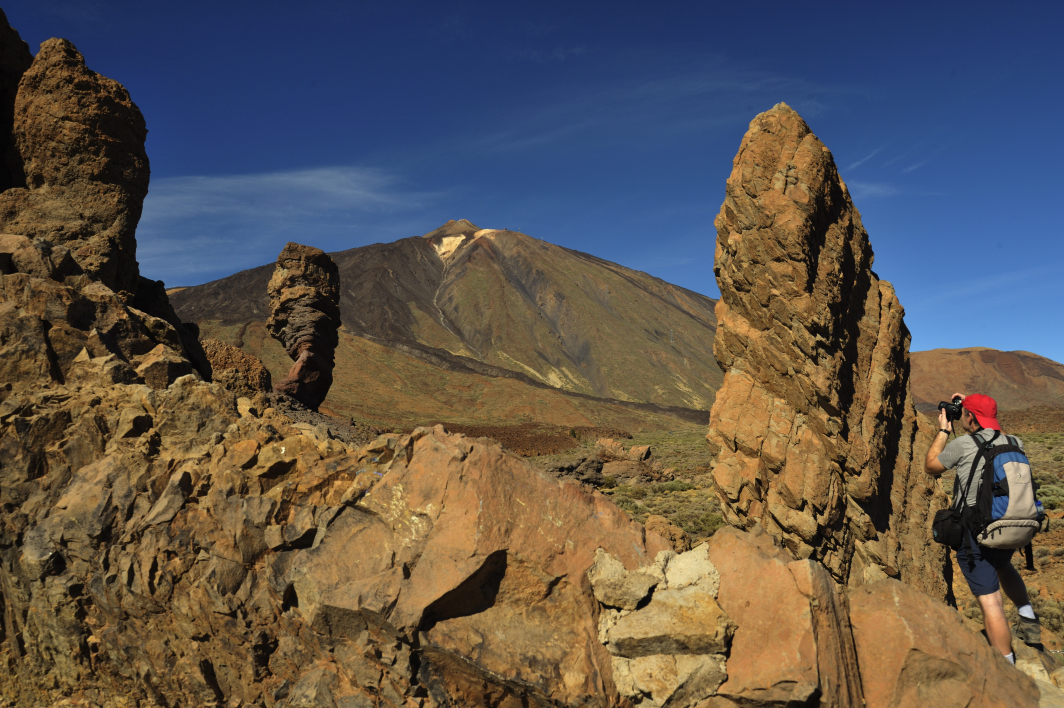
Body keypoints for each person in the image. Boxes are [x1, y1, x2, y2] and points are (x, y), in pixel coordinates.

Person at [925, 392, 1041, 665]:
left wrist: (944, 430)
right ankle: (1030, 624)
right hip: (1008, 524)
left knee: (991, 603)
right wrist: (970, 404)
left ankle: (1007, 667)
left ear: (970, 418)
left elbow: (931, 466)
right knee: (1003, 566)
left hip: (976, 531)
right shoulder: (1014, 442)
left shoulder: (964, 443)